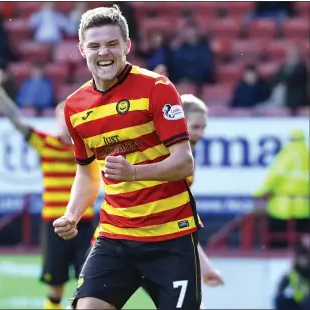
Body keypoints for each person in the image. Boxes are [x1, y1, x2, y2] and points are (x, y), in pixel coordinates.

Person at [53, 5, 202, 310]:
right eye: (94, 45)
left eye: (111, 43)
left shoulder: (157, 89)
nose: (103, 52)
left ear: (127, 46)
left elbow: (184, 162)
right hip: (115, 235)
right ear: (82, 49)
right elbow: (86, 171)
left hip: (171, 235)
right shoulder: (74, 107)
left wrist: (133, 173)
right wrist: (72, 214)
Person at [0, 61, 95, 310]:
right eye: (62, 117)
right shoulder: (45, 143)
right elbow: (14, 118)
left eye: (70, 118)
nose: (66, 122)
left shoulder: (91, 146)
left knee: (90, 286)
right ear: (56, 120)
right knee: (56, 288)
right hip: (54, 223)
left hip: (83, 224)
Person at [88, 94, 225, 306]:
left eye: (203, 127)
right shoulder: (154, 153)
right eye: (196, 126)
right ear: (179, 123)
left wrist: (205, 266)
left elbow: (175, 217)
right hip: (120, 242)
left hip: (159, 244)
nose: (200, 134)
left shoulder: (184, 166)